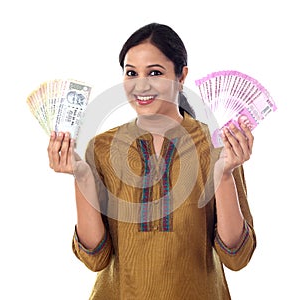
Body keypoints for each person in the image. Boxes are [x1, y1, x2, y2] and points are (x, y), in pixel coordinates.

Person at [47, 23, 256, 300]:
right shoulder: (101, 148)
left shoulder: (218, 145)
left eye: (155, 72)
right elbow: (95, 260)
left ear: (181, 76)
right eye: (131, 72)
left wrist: (225, 174)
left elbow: (236, 258)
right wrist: (82, 176)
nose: (140, 85)